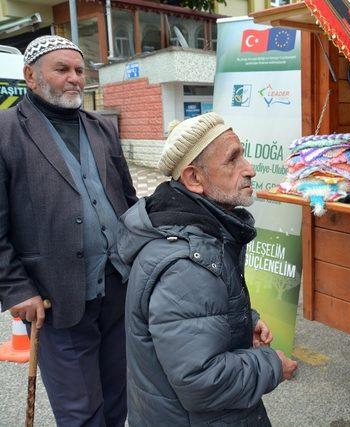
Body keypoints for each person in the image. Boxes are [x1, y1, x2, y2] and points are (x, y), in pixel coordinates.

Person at [118, 112, 298, 426]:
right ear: (194, 179)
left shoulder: (198, 232)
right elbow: (200, 380)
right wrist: (272, 365)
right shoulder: (187, 264)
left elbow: (194, 321)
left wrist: (244, 323)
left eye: (243, 154)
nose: (250, 170)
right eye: (232, 160)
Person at [0, 35, 137, 425]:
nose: (75, 78)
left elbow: (126, 200)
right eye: (62, 69)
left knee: (117, 393)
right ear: (30, 75)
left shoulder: (102, 127)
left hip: (117, 288)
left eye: (79, 70)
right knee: (80, 407)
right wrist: (15, 287)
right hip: (54, 295)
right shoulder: (6, 129)